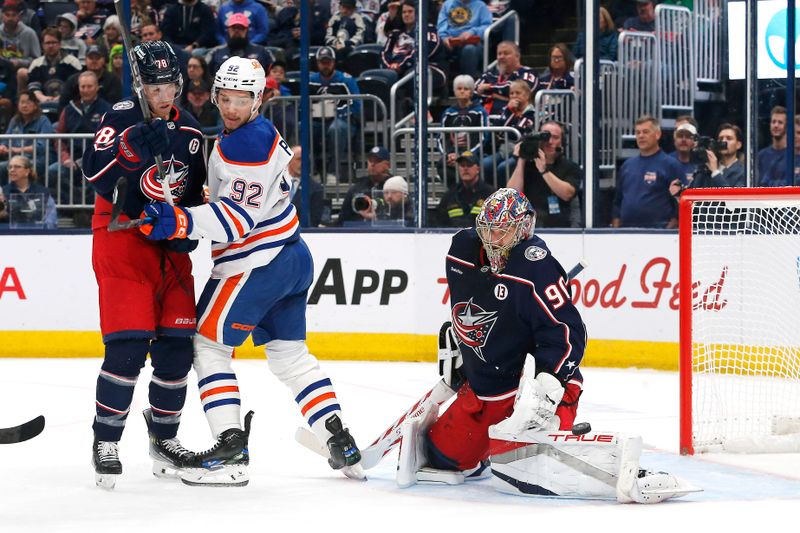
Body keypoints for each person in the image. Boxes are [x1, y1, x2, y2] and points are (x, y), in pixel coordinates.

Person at [140, 56, 363, 486]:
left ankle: (230, 449)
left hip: (255, 263)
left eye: (242, 98)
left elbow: (239, 219)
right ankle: (339, 439)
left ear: (258, 98)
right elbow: (241, 195)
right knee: (291, 358)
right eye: (225, 97)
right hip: (293, 258)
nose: (231, 107)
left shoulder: (242, 144)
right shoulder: (255, 133)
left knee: (207, 346)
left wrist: (182, 220)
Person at [80, 40, 207, 490]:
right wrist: (129, 151)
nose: (165, 95)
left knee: (176, 349)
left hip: (165, 244)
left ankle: (165, 440)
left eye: (172, 84)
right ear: (139, 86)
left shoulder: (190, 131)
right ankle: (106, 440)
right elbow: (92, 174)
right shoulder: (119, 116)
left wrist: (185, 230)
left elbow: (193, 197)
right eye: (155, 88)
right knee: (129, 347)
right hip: (120, 235)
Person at [400, 187, 585, 483]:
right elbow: (470, 302)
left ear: (524, 228)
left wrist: (551, 376)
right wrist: (462, 347)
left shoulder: (538, 267)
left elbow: (567, 331)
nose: (493, 239)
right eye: (488, 230)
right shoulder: (461, 249)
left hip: (539, 370)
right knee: (444, 459)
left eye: (503, 231)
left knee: (539, 443)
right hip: (493, 375)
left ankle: (561, 405)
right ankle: (487, 447)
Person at [49, 71, 111, 206]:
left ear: (97, 87)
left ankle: (84, 210)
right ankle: (77, 207)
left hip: (96, 158)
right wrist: (65, 158)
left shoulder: (107, 110)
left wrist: (85, 160)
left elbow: (109, 140)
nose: (86, 90)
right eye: (83, 87)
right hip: (71, 159)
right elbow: (59, 137)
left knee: (99, 174)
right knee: (53, 171)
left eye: (89, 86)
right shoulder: (69, 109)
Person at [612, 115, 686, 228]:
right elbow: (618, 201)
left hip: (658, 234)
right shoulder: (627, 165)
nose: (641, 136)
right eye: (638, 132)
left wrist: (669, 228)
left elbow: (682, 202)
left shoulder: (671, 165)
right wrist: (616, 227)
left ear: (657, 134)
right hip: (626, 233)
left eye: (645, 132)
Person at [508, 121, 581, 228]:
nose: (550, 141)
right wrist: (521, 160)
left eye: (555, 137)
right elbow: (512, 196)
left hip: (561, 229)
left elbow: (567, 194)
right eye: (545, 137)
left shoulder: (570, 167)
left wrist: (544, 170)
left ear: (562, 142)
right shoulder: (525, 166)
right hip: (529, 228)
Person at [309, 46, 361, 182]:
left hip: (342, 120)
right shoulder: (310, 80)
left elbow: (356, 105)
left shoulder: (346, 80)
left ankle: (333, 172)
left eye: (328, 62)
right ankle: (311, 171)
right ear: (317, 63)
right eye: (322, 62)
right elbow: (302, 104)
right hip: (317, 120)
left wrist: (337, 112)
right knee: (304, 127)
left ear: (334, 62)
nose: (325, 65)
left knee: (336, 129)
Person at [482, 79, 535, 187]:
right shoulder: (507, 110)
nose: (514, 96)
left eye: (518, 93)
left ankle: (505, 196)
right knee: (485, 164)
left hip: (521, 153)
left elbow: (516, 134)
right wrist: (508, 112)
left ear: (527, 95)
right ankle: (491, 195)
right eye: (511, 93)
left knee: (503, 167)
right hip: (503, 150)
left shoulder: (531, 114)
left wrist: (505, 129)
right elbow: (496, 128)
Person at [0, 91, 55, 181]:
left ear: (35, 105)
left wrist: (16, 150)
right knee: (3, 167)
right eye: (22, 102)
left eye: (28, 102)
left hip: (39, 159)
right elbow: (6, 140)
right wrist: (2, 147)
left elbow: (42, 146)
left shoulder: (43, 120)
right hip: (17, 158)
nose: (24, 105)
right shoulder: (15, 121)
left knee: (20, 167)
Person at [475, 41, 538, 119]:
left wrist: (490, 87)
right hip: (485, 119)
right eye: (499, 54)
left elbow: (519, 91)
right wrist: (501, 96)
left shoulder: (527, 72)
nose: (501, 57)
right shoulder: (490, 74)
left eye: (506, 53)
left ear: (517, 56)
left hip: (511, 119)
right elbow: (474, 90)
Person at [434, 150, 495, 227]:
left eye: (469, 165)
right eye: (462, 165)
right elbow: (439, 224)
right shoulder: (449, 196)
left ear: (478, 169)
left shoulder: (491, 195)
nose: (465, 168)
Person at [439, 75, 488, 169]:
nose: (462, 91)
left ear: (471, 92)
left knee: (467, 162)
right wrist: (448, 154)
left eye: (466, 89)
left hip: (473, 153)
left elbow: (483, 137)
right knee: (442, 164)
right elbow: (441, 137)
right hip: (452, 153)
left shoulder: (480, 112)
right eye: (459, 88)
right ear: (454, 91)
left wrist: (466, 154)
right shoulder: (448, 113)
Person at [26, 27, 82, 107]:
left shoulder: (73, 62)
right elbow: (33, 87)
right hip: (41, 104)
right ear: (42, 45)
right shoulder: (36, 64)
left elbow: (75, 87)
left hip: (68, 104)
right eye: (47, 43)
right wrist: (42, 98)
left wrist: (62, 98)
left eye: (54, 42)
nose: (51, 46)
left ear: (60, 44)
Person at [437, 0, 492, 79]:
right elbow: (441, 26)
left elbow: (487, 26)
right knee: (436, 47)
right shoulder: (447, 4)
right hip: (450, 41)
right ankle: (441, 84)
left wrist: (472, 32)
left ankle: (468, 84)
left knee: (469, 49)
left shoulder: (481, 6)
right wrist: (444, 38)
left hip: (472, 42)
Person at [206, 12, 274, 75]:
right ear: (228, 30)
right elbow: (204, 75)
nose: (237, 31)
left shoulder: (262, 51)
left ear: (247, 30)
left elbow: (274, 72)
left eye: (241, 28)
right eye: (234, 28)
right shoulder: (215, 52)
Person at [0, 155, 57, 228]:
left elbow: (51, 221)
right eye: (10, 167)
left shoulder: (43, 192)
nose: (12, 170)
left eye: (17, 167)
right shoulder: (3, 191)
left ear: (27, 171)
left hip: (37, 235)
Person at [338, 145, 390, 225]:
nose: (372, 164)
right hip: (359, 233)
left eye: (377, 161)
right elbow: (342, 220)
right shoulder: (357, 188)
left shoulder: (394, 186)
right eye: (370, 160)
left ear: (387, 165)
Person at [59, 45, 121, 109]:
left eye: (97, 58)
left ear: (104, 60)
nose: (94, 61)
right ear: (85, 59)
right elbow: (63, 105)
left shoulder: (113, 80)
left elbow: (116, 105)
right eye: (91, 58)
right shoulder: (73, 80)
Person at [287, 144, 325, 226]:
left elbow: (314, 220)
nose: (302, 163)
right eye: (299, 159)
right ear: (289, 159)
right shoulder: (274, 183)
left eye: (305, 160)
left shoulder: (315, 188)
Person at [757, 105, 790, 187]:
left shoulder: (792, 155)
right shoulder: (761, 156)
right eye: (773, 122)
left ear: (787, 127)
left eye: (780, 122)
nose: (776, 125)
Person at [669, 117, 699, 184]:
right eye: (677, 130)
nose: (683, 139)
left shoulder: (703, 164)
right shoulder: (666, 163)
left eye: (687, 132)